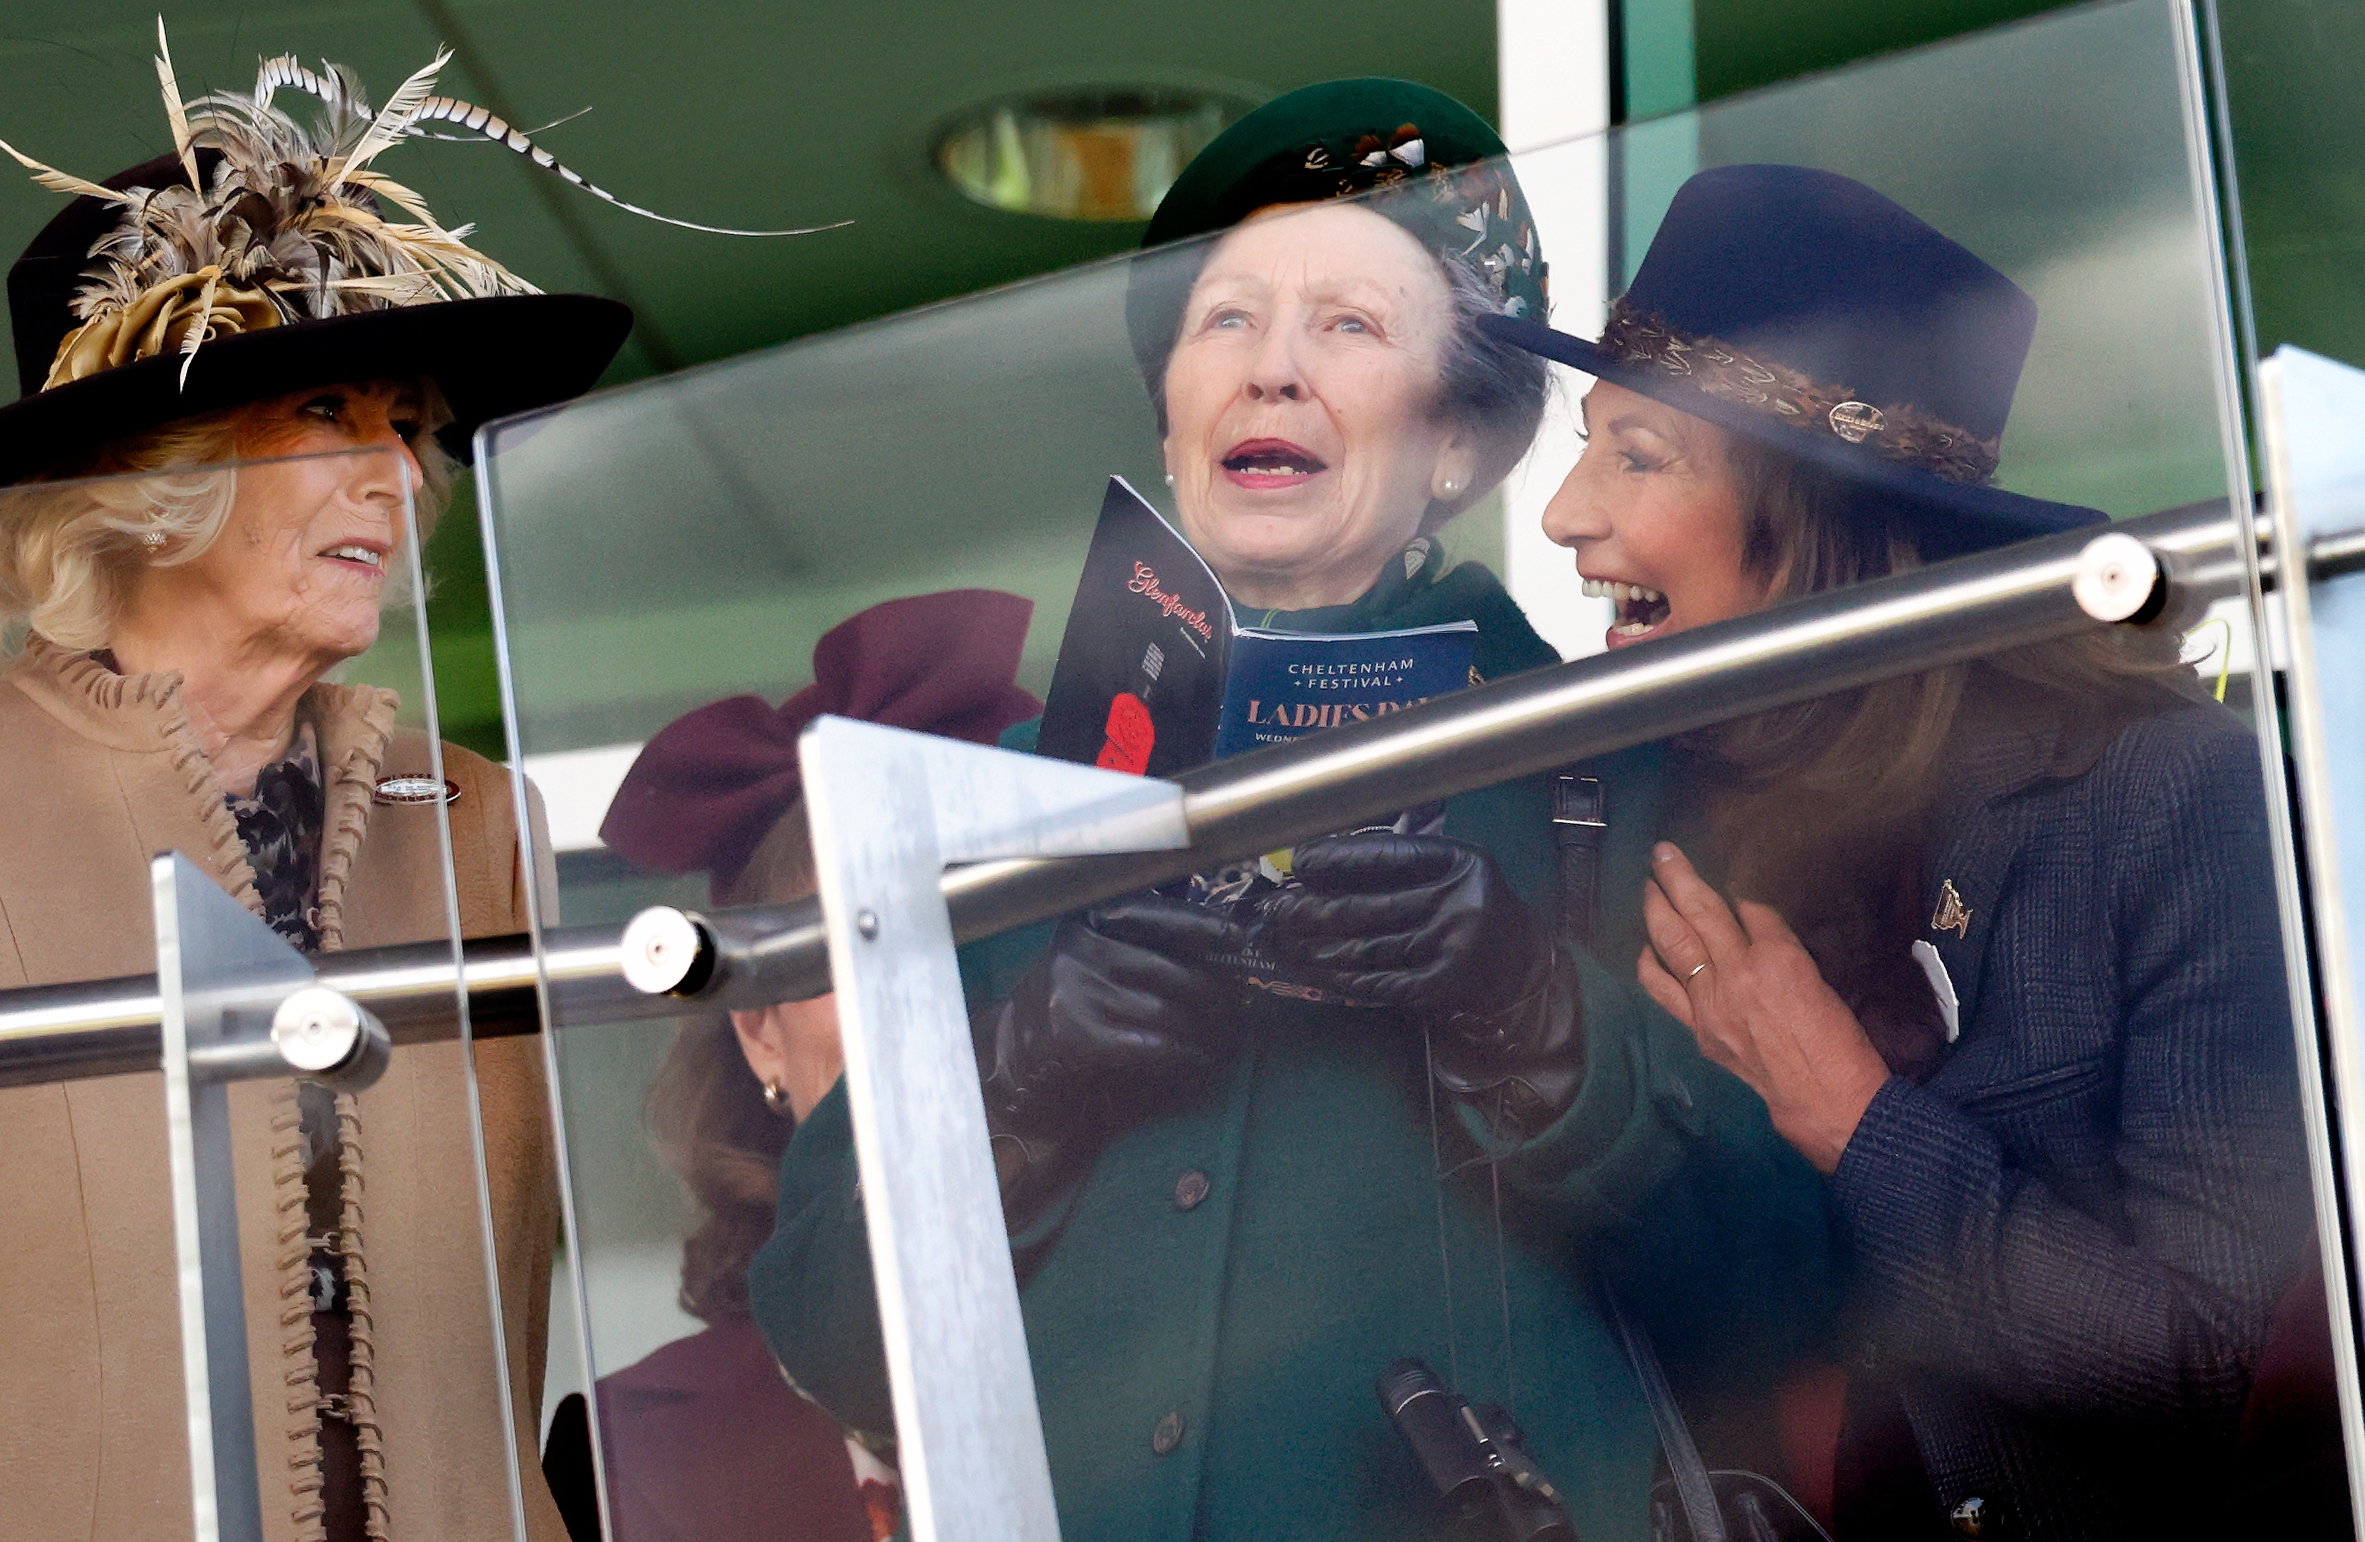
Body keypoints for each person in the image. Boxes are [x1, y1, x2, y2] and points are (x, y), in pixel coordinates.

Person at [0, 34, 818, 1542]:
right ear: (147, 470)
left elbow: (496, 1332)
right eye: (328, 416)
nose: (397, 475)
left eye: (408, 423)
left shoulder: (472, 819)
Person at [745, 82, 1839, 1542]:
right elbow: (823, 1330)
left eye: (1350, 326)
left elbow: (1784, 1302)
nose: (1273, 372)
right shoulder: (995, 802)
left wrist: (1531, 1015)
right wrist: (1025, 1075)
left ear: (1459, 444)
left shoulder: (1622, 771)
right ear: (1174, 412)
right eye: (1227, 322)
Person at [1488, 163, 2319, 1538]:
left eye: (1638, 456)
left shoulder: (2161, 795)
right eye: (1589, 444)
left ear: (1824, 517)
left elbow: (2210, 1367)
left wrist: (1854, 1115)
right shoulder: (1633, 812)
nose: (1568, 512)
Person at [586, 589, 1046, 1542]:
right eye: (865, 942)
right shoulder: (624, 1455)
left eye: (980, 934)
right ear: (757, 1030)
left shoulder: (1228, 1342)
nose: (930, 995)